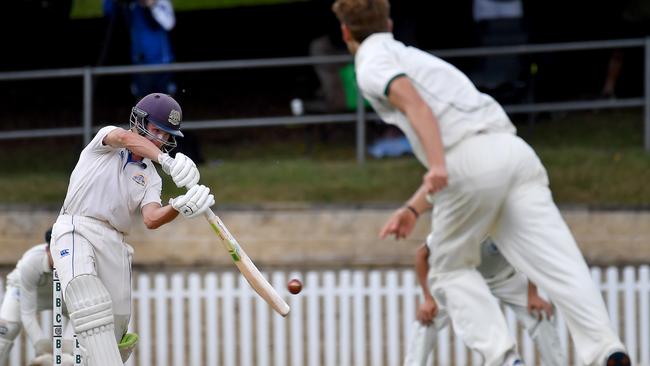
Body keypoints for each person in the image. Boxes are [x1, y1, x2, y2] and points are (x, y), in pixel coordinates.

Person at [330, 1, 630, 365]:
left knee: (447, 268)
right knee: (560, 263)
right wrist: (414, 206)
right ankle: (605, 350)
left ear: (346, 32)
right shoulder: (414, 56)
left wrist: (437, 164)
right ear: (389, 23)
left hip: (468, 161)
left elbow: (415, 105)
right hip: (514, 153)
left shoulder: (372, 62)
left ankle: (503, 359)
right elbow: (471, 151)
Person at [50, 93, 214, 365]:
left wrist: (179, 206)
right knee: (85, 292)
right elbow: (126, 140)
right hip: (76, 226)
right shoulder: (106, 139)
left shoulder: (150, 175)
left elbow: (151, 218)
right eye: (156, 130)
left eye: (166, 134)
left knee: (116, 326)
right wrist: (168, 161)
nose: (160, 138)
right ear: (139, 121)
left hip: (115, 242)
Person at [405, 239, 565, 366]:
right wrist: (428, 299)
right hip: (462, 279)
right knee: (427, 318)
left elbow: (531, 254)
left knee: (539, 315)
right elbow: (421, 254)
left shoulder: (507, 218)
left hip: (505, 277)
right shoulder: (457, 220)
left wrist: (533, 294)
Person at [0, 228, 76, 366]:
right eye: (56, 252)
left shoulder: (76, 261)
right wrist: (41, 346)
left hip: (62, 296)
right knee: (4, 331)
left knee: (85, 322)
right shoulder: (31, 261)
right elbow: (27, 312)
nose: (62, 257)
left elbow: (79, 312)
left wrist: (67, 349)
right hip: (23, 291)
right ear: (47, 250)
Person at [103, 0, 177, 98]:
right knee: (142, 107)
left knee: (166, 106)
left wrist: (152, 5)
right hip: (140, 65)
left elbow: (169, 23)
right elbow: (109, 11)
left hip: (162, 64)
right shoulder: (131, 6)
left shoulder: (161, 2)